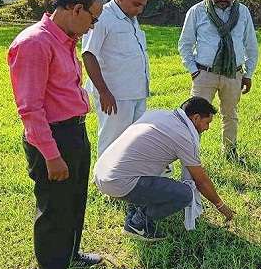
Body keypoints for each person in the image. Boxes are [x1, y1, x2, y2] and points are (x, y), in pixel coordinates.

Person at [8, 0, 106, 269]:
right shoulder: (35, 43)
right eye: (93, 18)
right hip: (53, 138)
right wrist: (51, 155)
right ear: (75, 9)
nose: (93, 26)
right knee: (55, 209)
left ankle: (70, 254)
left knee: (75, 199)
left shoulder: (65, 41)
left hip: (73, 132)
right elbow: (30, 108)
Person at [93, 97, 236, 240]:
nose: (207, 128)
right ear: (196, 118)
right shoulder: (185, 137)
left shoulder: (160, 114)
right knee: (185, 194)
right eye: (207, 123)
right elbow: (201, 180)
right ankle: (138, 224)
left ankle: (136, 206)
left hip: (101, 173)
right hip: (118, 182)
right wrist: (220, 205)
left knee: (166, 169)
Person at [178, 0, 259, 164]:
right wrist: (193, 70)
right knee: (195, 118)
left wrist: (248, 74)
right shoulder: (197, 11)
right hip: (204, 74)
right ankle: (191, 157)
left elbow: (251, 46)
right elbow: (185, 44)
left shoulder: (244, 12)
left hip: (233, 74)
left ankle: (230, 154)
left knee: (230, 115)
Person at [82, 0, 151, 157]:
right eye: (136, 4)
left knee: (135, 142)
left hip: (137, 92)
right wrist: (104, 92)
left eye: (142, 5)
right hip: (114, 95)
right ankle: (105, 182)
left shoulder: (131, 18)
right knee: (112, 142)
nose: (139, 10)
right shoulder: (102, 17)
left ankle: (126, 180)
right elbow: (89, 54)